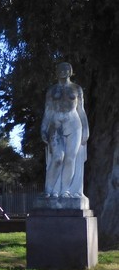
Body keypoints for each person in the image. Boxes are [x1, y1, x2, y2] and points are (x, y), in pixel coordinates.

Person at [40, 62, 89, 198]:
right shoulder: (52, 90)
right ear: (56, 72)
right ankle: (50, 190)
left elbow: (81, 110)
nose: (63, 71)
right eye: (60, 69)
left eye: (66, 69)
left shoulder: (77, 89)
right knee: (57, 158)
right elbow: (48, 111)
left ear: (70, 71)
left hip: (74, 124)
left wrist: (86, 129)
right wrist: (43, 128)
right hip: (55, 124)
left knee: (70, 158)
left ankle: (65, 190)